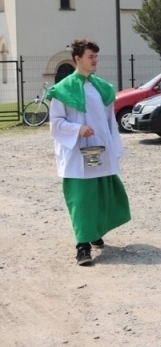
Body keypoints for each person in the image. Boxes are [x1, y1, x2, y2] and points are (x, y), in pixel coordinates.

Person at [46, 39, 131, 266]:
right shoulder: (62, 89)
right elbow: (55, 123)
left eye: (96, 57)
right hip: (76, 154)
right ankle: (82, 247)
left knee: (102, 193)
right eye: (90, 57)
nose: (95, 61)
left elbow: (109, 121)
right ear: (78, 59)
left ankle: (94, 232)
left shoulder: (101, 87)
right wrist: (78, 129)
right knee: (81, 198)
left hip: (99, 151)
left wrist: (114, 147)